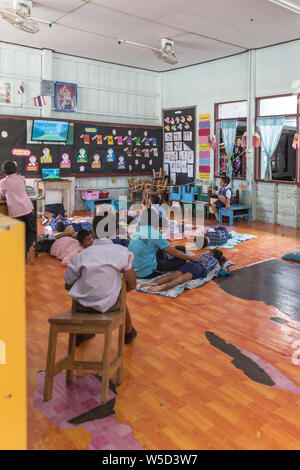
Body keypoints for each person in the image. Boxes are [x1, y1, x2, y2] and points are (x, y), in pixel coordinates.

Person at [64, 213, 137, 345]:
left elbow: (68, 285)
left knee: (82, 290)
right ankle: (128, 333)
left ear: (93, 231)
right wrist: (114, 291)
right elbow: (132, 284)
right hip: (109, 306)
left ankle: (80, 333)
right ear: (115, 231)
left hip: (82, 307)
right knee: (121, 299)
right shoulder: (121, 252)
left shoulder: (81, 255)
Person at [128, 208, 204, 279]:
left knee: (176, 249)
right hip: (147, 272)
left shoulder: (137, 230)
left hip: (134, 270)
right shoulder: (154, 234)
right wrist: (192, 258)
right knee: (181, 259)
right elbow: (174, 253)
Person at [141, 249, 225, 292]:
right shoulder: (216, 262)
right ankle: (163, 287)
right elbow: (218, 270)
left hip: (191, 263)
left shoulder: (203, 254)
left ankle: (155, 283)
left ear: (212, 252)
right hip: (200, 268)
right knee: (181, 279)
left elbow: (194, 258)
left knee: (173, 275)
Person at [0, 160, 36, 258]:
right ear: (16, 170)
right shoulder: (22, 178)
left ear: (3, 173)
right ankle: (24, 250)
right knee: (31, 231)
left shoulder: (3, 182)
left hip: (15, 212)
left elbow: (2, 194)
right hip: (27, 209)